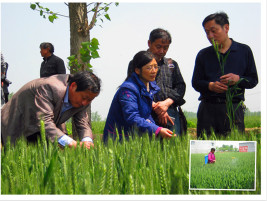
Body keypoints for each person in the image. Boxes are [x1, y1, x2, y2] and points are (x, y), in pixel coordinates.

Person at [192, 12, 258, 137]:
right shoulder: (203, 54)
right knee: (205, 150)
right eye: (207, 32)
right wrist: (210, 86)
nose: (210, 36)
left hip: (233, 108)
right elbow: (196, 82)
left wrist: (238, 79)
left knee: (233, 150)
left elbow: (253, 80)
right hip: (208, 109)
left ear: (226, 28)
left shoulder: (244, 51)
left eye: (213, 31)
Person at [1, 71, 101, 149]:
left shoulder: (82, 100)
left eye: (90, 100)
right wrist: (72, 143)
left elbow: (83, 123)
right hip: (14, 123)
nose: (85, 103)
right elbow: (44, 122)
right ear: (73, 86)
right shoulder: (49, 87)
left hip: (39, 131)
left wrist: (87, 141)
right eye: (84, 98)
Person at [104, 51, 174, 142]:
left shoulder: (149, 85)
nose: (154, 71)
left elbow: (145, 114)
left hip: (134, 138)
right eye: (149, 68)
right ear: (137, 70)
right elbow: (132, 117)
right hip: (119, 139)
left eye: (156, 67)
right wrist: (157, 130)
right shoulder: (128, 90)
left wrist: (156, 128)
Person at [127, 28, 186, 135]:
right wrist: (156, 107)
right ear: (149, 43)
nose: (162, 51)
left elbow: (180, 87)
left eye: (166, 48)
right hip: (145, 114)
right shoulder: (136, 63)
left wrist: (166, 104)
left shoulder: (171, 65)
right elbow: (134, 88)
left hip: (170, 114)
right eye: (158, 47)